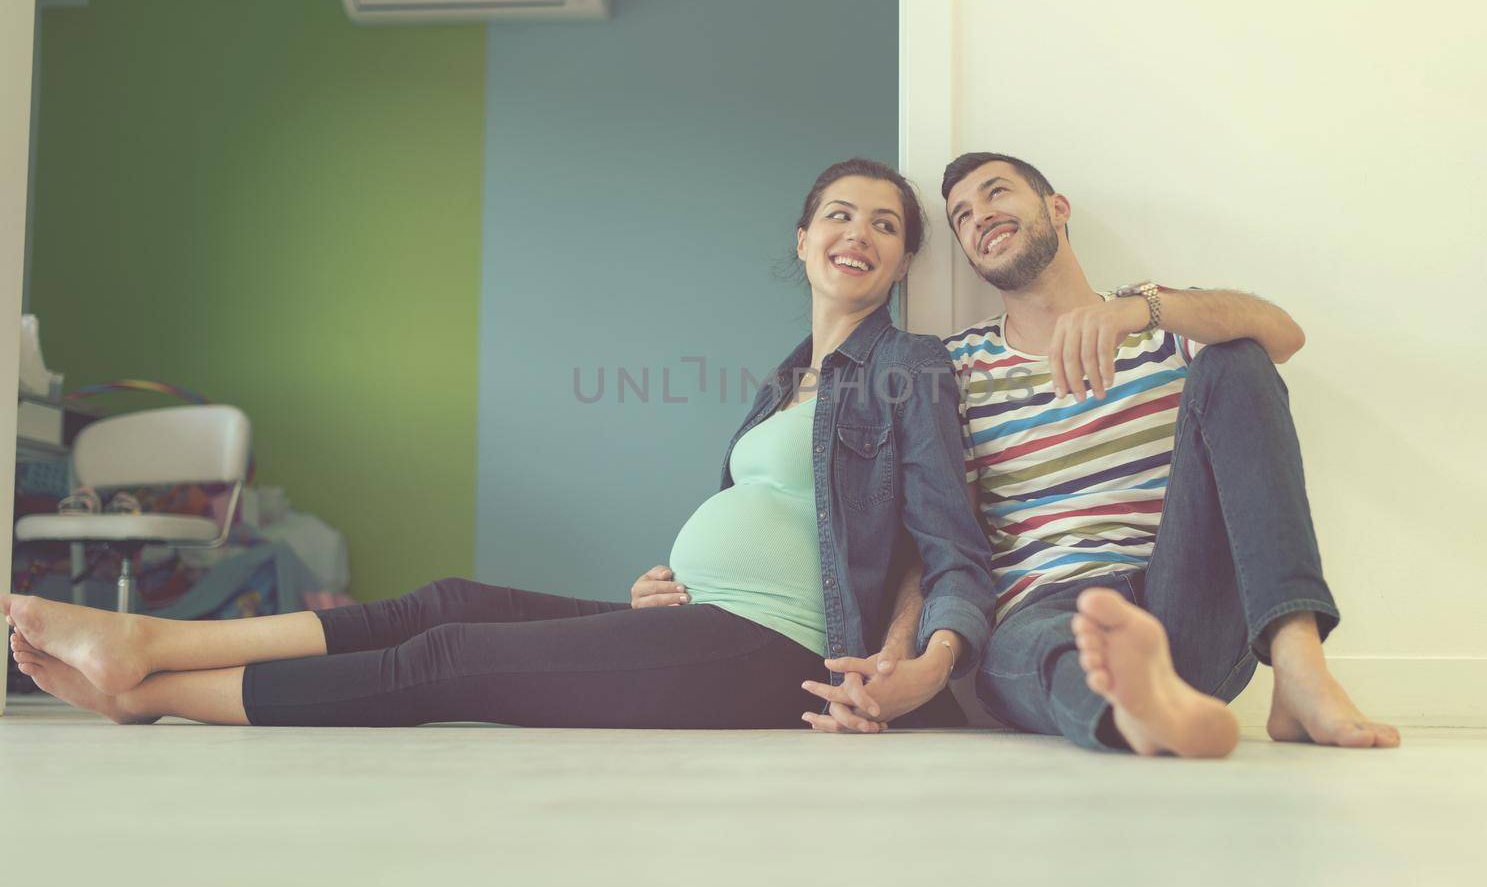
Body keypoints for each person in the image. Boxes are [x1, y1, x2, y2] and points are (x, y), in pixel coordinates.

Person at [3, 158, 993, 731]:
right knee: (446, 601)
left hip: (780, 653)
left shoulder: (911, 362)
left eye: (885, 224)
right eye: (837, 213)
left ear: (904, 259)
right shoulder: (789, 378)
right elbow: (782, 517)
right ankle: (150, 646)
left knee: (448, 653)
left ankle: (157, 685)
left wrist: (911, 671)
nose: (856, 232)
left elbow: (942, 544)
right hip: (712, 617)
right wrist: (676, 574)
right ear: (801, 238)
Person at [805, 151, 1399, 756]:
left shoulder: (1162, 323)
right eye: (962, 215)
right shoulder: (954, 367)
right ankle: (1136, 710)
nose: (980, 216)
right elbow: (939, 535)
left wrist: (1140, 309)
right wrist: (906, 654)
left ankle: (1299, 665)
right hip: (1043, 606)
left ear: (1057, 209)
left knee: (1239, 356)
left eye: (997, 193)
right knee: (1038, 646)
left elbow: (1283, 335)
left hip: (1181, 598)